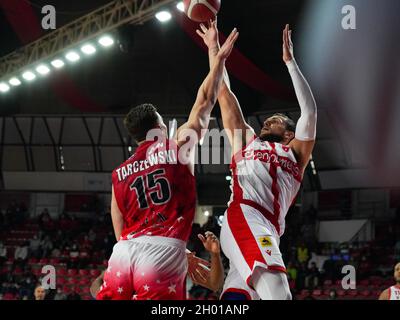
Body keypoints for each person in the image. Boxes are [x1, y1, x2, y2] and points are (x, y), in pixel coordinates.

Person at [96, 28, 239, 300]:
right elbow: (206, 100)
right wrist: (216, 56)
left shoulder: (118, 173)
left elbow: (118, 223)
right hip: (162, 252)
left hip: (124, 252)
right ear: (160, 127)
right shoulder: (176, 146)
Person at [197, 22, 317, 300]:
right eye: (267, 119)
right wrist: (215, 50)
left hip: (269, 229)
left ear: (289, 134)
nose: (268, 121)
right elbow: (224, 96)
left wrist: (290, 64)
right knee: (279, 296)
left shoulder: (296, 153)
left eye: (276, 121)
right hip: (245, 216)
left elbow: (309, 112)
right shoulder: (248, 141)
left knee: (237, 298)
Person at [91, 231, 224, 299]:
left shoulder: (176, 251)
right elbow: (95, 288)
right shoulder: (127, 249)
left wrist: (215, 254)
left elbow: (214, 284)